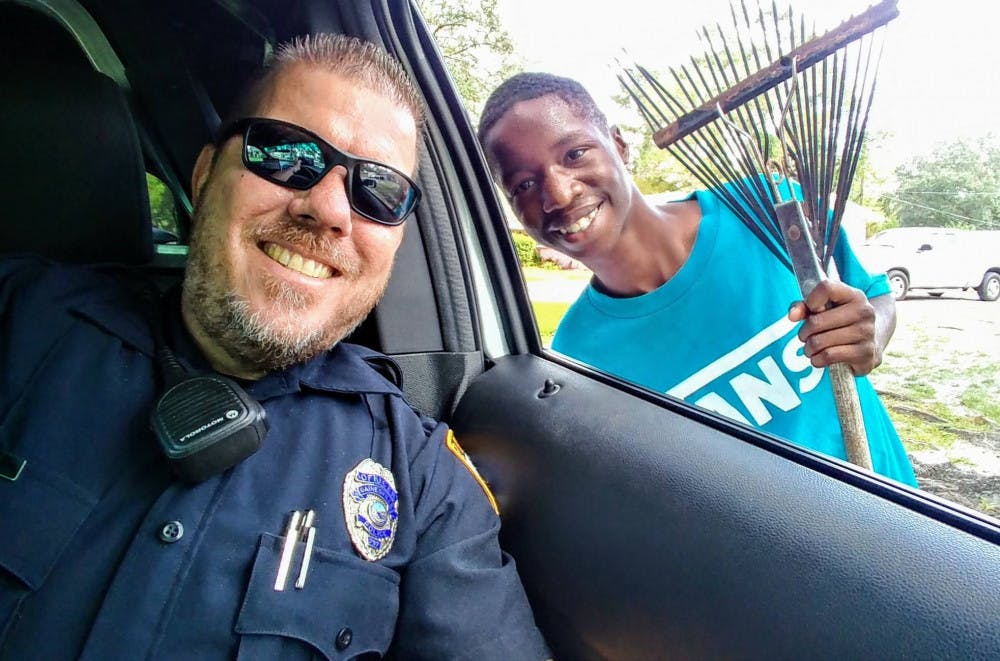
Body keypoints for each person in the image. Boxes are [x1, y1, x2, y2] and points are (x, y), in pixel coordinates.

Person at [0, 35, 550, 659]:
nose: (330, 210)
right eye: (287, 154)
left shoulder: (422, 480)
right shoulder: (19, 320)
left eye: (380, 192)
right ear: (207, 174)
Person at [478, 72, 916, 487]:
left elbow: (876, 297)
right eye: (523, 185)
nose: (557, 193)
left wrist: (869, 332)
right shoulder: (578, 356)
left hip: (895, 522)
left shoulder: (767, 208)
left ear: (618, 145)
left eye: (574, 155)